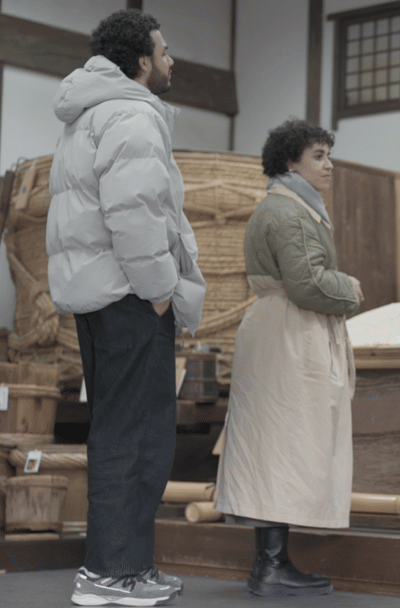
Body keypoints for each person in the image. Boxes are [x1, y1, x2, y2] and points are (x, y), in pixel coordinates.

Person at [45, 8, 205, 607]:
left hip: (105, 295)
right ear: (139, 60)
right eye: (163, 52)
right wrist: (162, 291)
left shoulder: (92, 113)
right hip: (130, 295)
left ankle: (129, 566)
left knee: (131, 433)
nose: (170, 61)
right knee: (131, 437)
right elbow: (134, 213)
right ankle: (109, 573)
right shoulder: (132, 113)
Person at [214, 119, 363, 597]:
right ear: (289, 162)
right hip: (290, 332)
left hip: (281, 328)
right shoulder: (290, 213)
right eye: (318, 156)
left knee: (277, 445)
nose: (329, 165)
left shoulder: (287, 206)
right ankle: (272, 564)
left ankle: (271, 562)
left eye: (328, 155)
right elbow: (309, 283)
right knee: (287, 445)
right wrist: (351, 288)